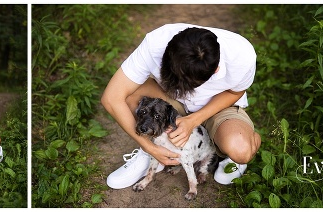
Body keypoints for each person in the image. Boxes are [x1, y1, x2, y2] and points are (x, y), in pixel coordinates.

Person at [101, 23, 261, 189]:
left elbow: (235, 92)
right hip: (168, 101)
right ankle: (153, 150)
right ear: (168, 52)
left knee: (241, 150)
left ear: (215, 71)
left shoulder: (242, 55)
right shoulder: (156, 42)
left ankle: (234, 147)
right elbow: (111, 98)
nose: (180, 89)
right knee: (130, 95)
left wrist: (193, 120)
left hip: (218, 107)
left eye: (185, 85)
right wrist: (149, 147)